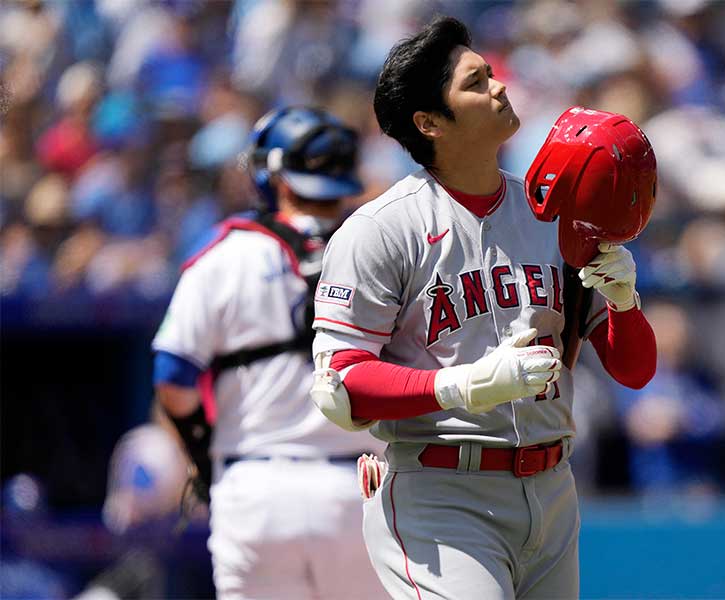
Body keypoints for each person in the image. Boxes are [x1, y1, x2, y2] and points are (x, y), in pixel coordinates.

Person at [310, 17, 657, 600]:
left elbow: (635, 370)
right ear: (429, 123)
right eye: (475, 83)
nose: (499, 87)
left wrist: (625, 304)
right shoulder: (382, 229)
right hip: (443, 494)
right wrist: (465, 385)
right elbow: (342, 384)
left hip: (552, 490)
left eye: (492, 74)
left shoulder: (551, 211)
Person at [152, 106, 387, 599]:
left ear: (274, 174)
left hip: (255, 483)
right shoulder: (385, 249)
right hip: (363, 485)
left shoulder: (225, 253)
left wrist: (200, 446)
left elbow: (172, 375)